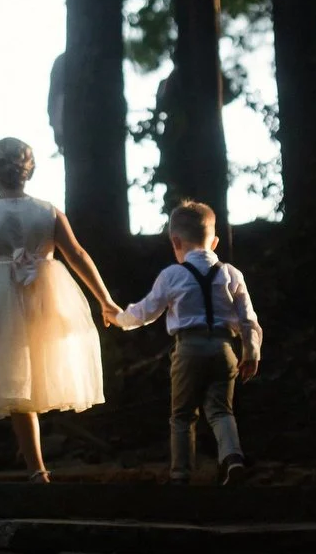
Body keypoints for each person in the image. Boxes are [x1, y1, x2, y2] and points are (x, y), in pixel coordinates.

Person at [0, 137, 116, 482]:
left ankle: (36, 467)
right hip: (49, 293)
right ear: (28, 172)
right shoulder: (48, 211)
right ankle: (30, 451)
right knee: (44, 371)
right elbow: (78, 256)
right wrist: (105, 299)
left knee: (18, 379)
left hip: (0, 297)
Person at [104, 199, 263, 485]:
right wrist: (251, 351)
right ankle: (233, 458)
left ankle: (180, 474)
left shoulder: (172, 275)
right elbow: (248, 319)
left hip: (189, 349)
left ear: (175, 241)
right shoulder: (231, 274)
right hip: (224, 349)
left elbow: (146, 311)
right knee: (221, 410)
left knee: (182, 415)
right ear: (214, 242)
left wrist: (118, 318)